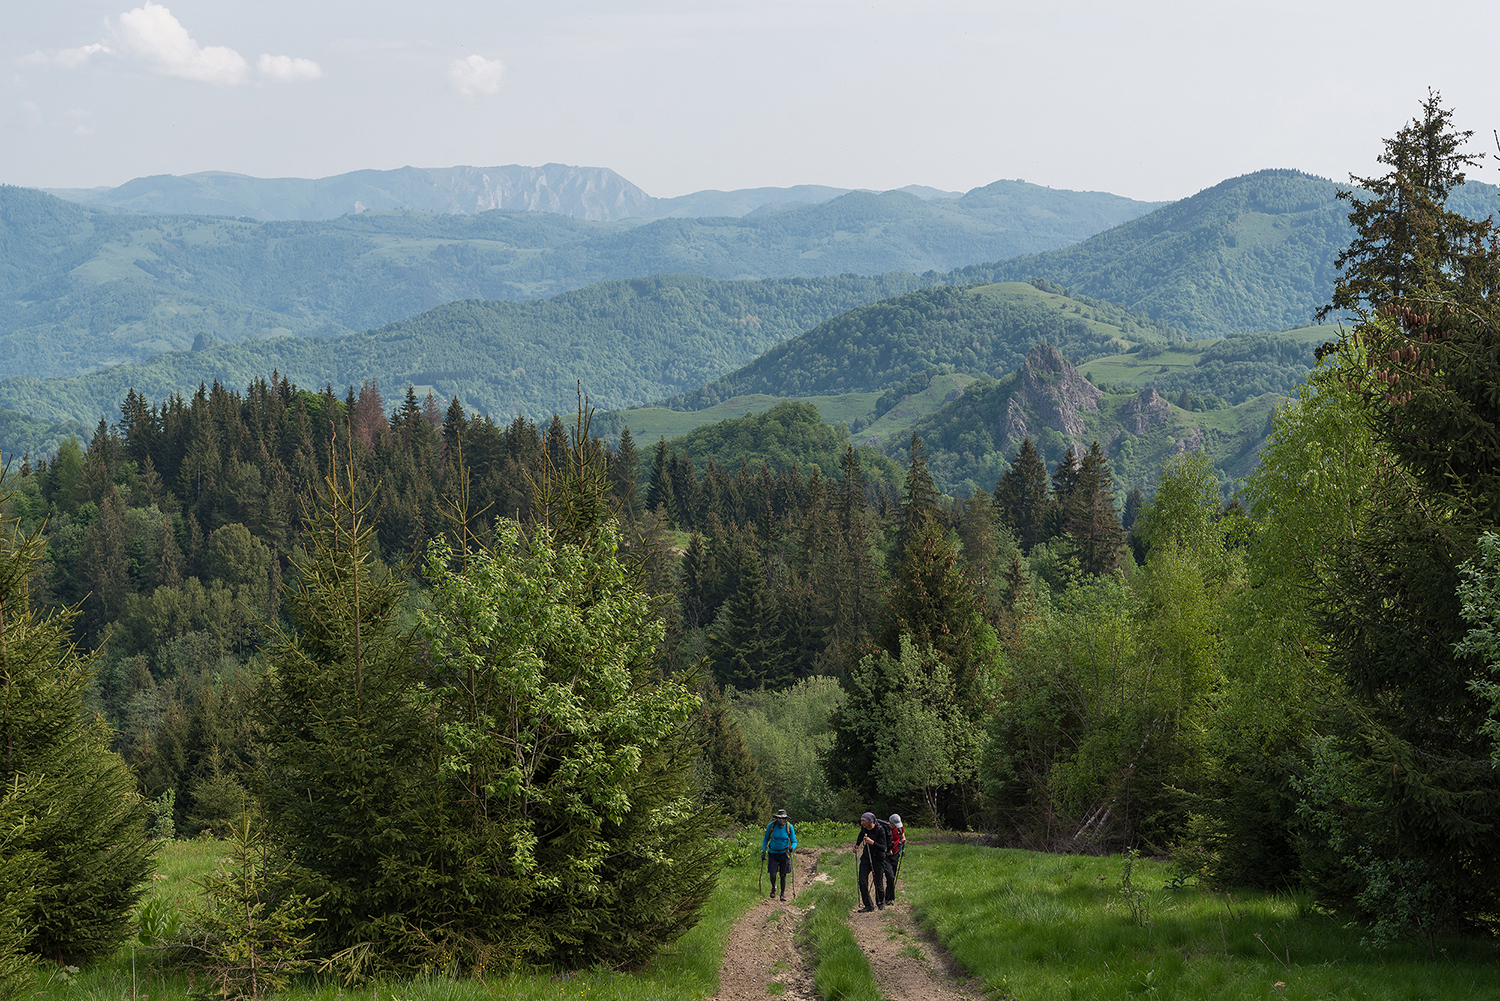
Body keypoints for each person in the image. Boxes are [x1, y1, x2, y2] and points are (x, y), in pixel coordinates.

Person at [851, 811, 890, 912]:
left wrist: (872, 842)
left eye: (864, 821)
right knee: (862, 881)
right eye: (861, 821)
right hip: (866, 857)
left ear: (870, 821)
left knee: (878, 881)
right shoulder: (864, 828)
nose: (862, 823)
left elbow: (884, 848)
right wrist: (857, 845)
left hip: (878, 858)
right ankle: (868, 905)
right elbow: (861, 835)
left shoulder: (880, 830)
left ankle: (880, 903)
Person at [761, 808, 797, 901]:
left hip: (784, 853)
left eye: (783, 818)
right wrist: (763, 851)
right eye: (780, 818)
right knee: (772, 873)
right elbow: (766, 839)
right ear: (777, 818)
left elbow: (794, 841)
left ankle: (782, 894)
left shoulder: (789, 827)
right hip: (773, 853)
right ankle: (774, 887)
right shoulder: (771, 826)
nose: (781, 820)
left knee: (783, 874)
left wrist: (792, 848)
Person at [884, 814, 905, 902]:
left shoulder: (899, 828)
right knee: (890, 876)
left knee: (892, 877)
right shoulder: (884, 829)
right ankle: (890, 898)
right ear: (890, 823)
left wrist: (903, 840)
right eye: (895, 824)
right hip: (885, 856)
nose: (896, 826)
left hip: (895, 854)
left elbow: (902, 836)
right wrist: (887, 850)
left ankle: (888, 898)